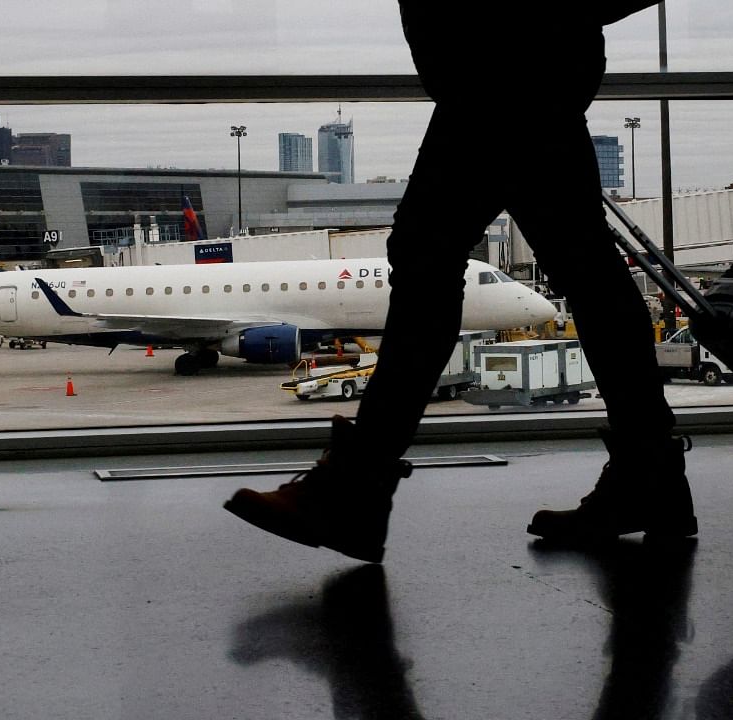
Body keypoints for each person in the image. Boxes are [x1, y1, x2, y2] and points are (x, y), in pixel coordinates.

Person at [224, 2, 697, 563]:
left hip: (500, 73)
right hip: (516, 67)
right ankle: (651, 477)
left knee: (431, 259)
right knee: (582, 268)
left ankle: (352, 490)